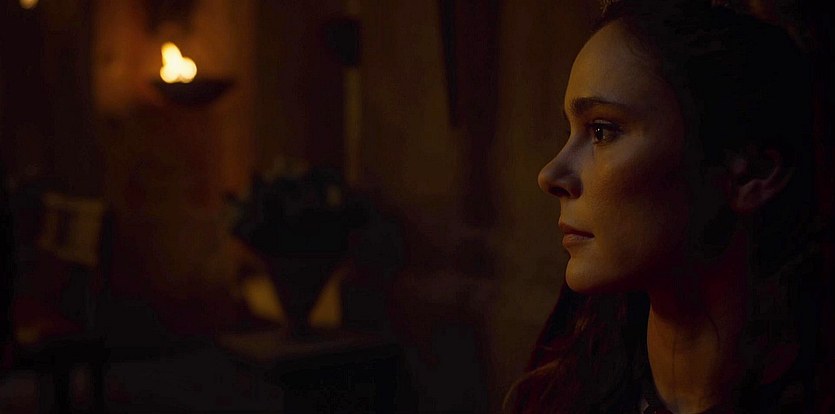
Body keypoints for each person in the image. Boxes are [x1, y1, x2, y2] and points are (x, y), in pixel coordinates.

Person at [506, 0, 833, 412]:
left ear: (752, 174)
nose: (550, 175)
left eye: (602, 131)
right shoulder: (550, 393)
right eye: (570, 131)